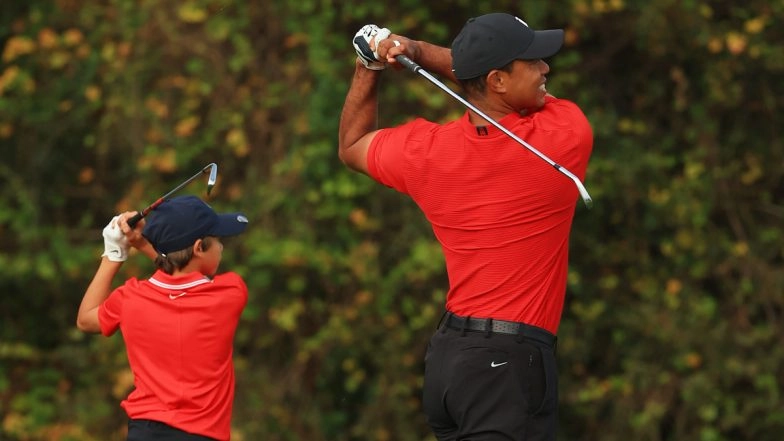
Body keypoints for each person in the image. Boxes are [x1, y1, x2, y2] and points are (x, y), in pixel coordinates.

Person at [339, 12, 593, 441]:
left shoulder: (426, 152)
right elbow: (479, 75)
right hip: (507, 367)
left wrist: (369, 66)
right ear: (497, 80)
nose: (546, 69)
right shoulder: (562, 138)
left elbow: (351, 146)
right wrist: (417, 51)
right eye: (532, 62)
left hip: (449, 362)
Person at [76, 195, 250, 441]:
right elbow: (179, 272)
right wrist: (145, 246)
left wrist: (114, 253)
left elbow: (86, 319)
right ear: (199, 247)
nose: (221, 247)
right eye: (218, 240)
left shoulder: (130, 298)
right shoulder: (230, 292)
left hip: (143, 433)